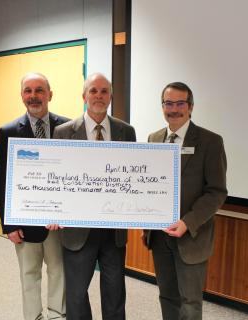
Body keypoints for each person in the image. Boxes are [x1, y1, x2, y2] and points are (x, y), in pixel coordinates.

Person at [52, 73, 136, 320]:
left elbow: (133, 177)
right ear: (84, 96)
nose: (99, 96)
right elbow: (57, 178)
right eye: (93, 91)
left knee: (114, 292)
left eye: (104, 91)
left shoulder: (126, 131)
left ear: (110, 96)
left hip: (113, 229)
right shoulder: (64, 132)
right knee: (76, 295)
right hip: (77, 229)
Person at [144, 82, 227, 319]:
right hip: (160, 236)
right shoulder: (154, 138)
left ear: (190, 107)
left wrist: (187, 223)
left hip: (191, 236)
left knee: (190, 302)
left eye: (180, 103)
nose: (174, 109)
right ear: (162, 107)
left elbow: (216, 192)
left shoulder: (210, 142)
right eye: (168, 104)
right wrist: (146, 224)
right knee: (167, 296)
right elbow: (149, 185)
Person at [0, 73, 69, 320]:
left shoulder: (68, 128)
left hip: (59, 221)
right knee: (29, 274)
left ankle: (58, 315)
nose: (34, 96)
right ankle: (33, 317)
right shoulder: (8, 131)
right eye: (28, 91)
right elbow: (1, 180)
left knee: (59, 272)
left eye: (39, 90)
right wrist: (9, 225)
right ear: (22, 96)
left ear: (50, 94)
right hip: (24, 222)